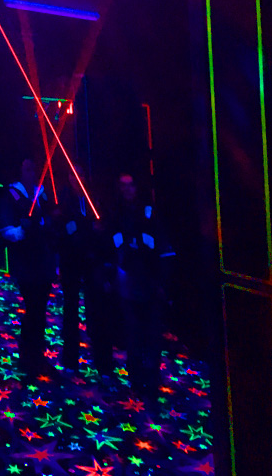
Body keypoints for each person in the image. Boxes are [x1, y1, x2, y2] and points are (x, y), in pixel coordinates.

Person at [111, 172, 175, 402]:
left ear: (137, 188)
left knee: (152, 334)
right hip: (129, 281)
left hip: (150, 281)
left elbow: (162, 246)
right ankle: (137, 380)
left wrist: (162, 281)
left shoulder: (149, 212)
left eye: (130, 185)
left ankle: (152, 380)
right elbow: (113, 243)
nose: (127, 190)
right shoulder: (116, 214)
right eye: (123, 185)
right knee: (134, 333)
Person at [0, 158, 56, 380]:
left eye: (34, 169)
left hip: (44, 261)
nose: (32, 173)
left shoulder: (42, 194)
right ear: (21, 171)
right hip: (25, 262)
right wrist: (23, 230)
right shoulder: (12, 194)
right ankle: (28, 358)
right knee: (33, 308)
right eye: (28, 169)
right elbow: (5, 229)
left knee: (39, 310)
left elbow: (50, 221)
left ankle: (37, 357)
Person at [56, 164, 114, 376]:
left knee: (97, 310)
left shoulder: (93, 198)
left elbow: (102, 225)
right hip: (70, 260)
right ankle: (70, 361)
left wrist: (84, 228)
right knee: (70, 310)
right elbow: (63, 228)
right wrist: (87, 227)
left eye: (79, 174)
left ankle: (103, 363)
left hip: (92, 260)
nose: (75, 178)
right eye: (72, 174)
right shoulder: (63, 198)